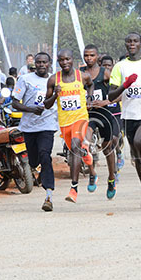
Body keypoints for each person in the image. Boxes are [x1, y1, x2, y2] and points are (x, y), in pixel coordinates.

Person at [108, 32, 141, 209]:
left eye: (135, 41)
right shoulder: (119, 67)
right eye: (129, 41)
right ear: (125, 44)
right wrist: (125, 85)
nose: (132, 44)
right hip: (128, 114)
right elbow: (111, 94)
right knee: (136, 156)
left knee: (139, 140)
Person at [44, 49, 94, 204]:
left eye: (67, 59)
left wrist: (90, 98)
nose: (64, 63)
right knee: (76, 150)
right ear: (58, 61)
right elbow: (46, 105)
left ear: (73, 60)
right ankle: (90, 167)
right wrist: (55, 95)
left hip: (80, 119)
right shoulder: (53, 80)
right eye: (61, 60)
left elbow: (90, 85)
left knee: (75, 146)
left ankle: (74, 188)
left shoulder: (83, 76)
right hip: (65, 123)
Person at [12, 52, 59, 211]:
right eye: (38, 62)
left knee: (45, 155)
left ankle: (49, 195)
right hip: (29, 127)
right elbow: (15, 103)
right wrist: (31, 109)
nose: (41, 65)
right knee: (34, 160)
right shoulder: (25, 79)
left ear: (49, 63)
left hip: (47, 125)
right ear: (34, 64)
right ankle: (32, 167)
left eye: (44, 62)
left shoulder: (55, 80)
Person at [80, 44, 120, 199]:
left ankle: (111, 178)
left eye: (92, 55)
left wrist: (105, 102)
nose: (89, 58)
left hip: (105, 115)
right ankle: (92, 173)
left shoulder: (105, 73)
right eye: (86, 56)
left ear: (98, 57)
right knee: (85, 143)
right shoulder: (81, 74)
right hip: (89, 115)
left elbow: (119, 94)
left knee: (107, 149)